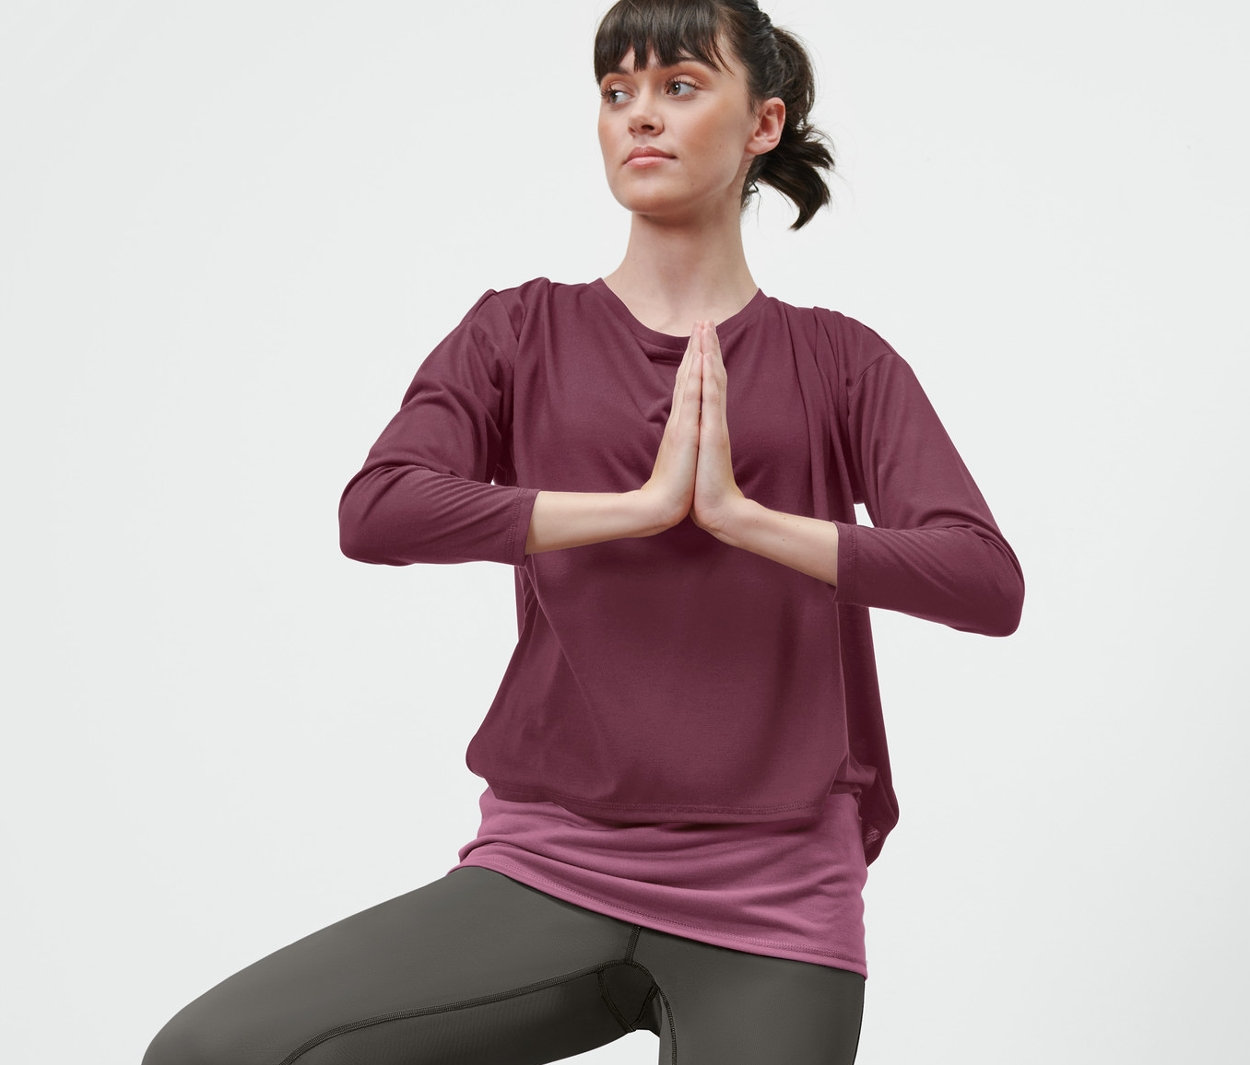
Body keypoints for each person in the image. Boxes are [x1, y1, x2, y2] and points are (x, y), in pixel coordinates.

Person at [141, 1, 1024, 1062]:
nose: (638, 118)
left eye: (679, 87)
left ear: (762, 125)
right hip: (547, 867)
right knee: (212, 1053)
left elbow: (983, 580)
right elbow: (376, 511)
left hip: (776, 896)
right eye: (616, 94)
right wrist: (636, 511)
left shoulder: (842, 361)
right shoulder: (517, 331)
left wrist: (743, 520)